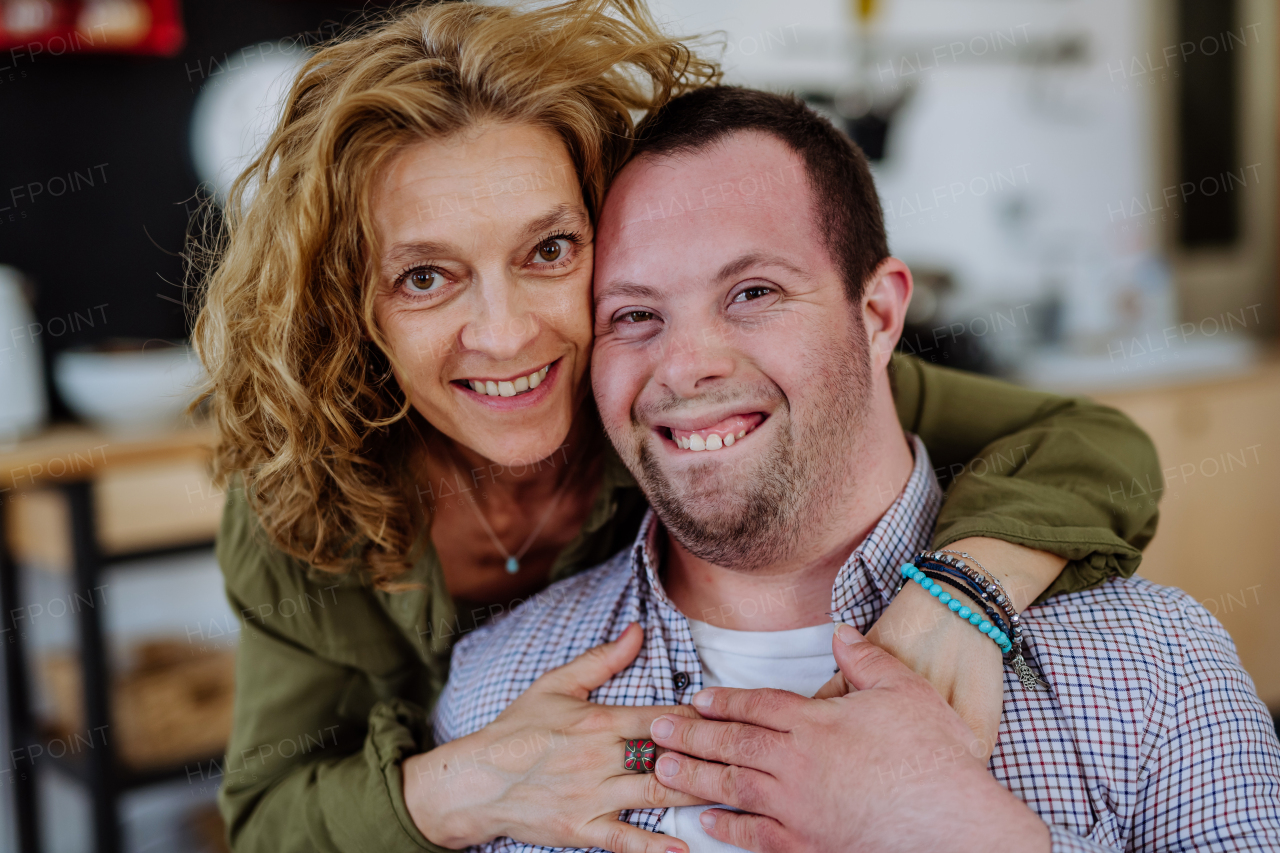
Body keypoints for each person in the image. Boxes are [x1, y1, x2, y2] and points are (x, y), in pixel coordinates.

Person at [194, 3, 1165, 852]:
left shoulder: (683, 402)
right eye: (424, 276)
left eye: (548, 249)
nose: (501, 333)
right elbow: (269, 819)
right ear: (352, 306)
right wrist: (463, 785)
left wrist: (960, 595)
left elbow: (1088, 444)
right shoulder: (299, 497)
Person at [431, 85, 1280, 853]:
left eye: (753, 292)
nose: (686, 365)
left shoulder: (1158, 668)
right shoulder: (493, 699)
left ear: (877, 316)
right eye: (634, 313)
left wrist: (962, 834)